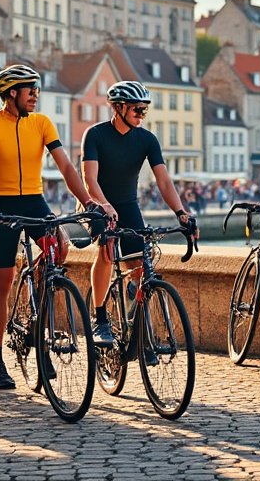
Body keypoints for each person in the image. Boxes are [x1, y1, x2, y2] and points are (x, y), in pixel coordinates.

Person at [0, 64, 96, 390]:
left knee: (59, 247)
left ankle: (37, 315)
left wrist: (87, 201)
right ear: (12, 92)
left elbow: (66, 165)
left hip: (35, 200)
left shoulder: (42, 123)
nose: (36, 97)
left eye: (37, 91)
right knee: (1, 281)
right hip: (1, 204)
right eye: (31, 90)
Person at [81, 82, 197, 347]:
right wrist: (105, 206)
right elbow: (90, 180)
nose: (141, 114)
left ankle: (138, 322)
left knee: (140, 265)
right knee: (107, 250)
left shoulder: (147, 139)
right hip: (99, 204)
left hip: (128, 205)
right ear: (119, 107)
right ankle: (100, 319)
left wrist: (181, 213)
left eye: (144, 110)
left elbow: (165, 182)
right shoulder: (95, 134)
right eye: (137, 109)